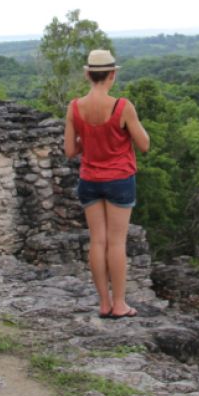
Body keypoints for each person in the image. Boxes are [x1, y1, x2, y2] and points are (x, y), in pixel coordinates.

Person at [64, 49, 150, 319]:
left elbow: (69, 150)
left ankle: (103, 303)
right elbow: (144, 144)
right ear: (112, 75)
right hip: (119, 180)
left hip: (89, 180)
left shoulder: (75, 107)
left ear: (88, 74)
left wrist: (89, 139)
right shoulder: (122, 106)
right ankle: (120, 304)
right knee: (116, 243)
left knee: (97, 241)